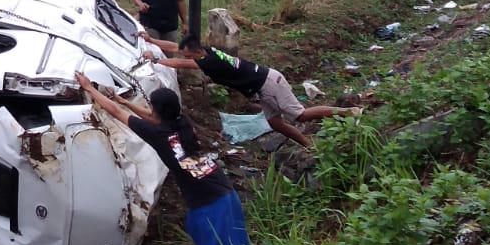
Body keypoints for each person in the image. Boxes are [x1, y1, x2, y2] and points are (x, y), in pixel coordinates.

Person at [75, 72, 254, 245]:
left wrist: (90, 89)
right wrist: (123, 100)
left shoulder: (158, 135)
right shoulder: (182, 123)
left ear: (159, 112)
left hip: (208, 204)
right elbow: (149, 116)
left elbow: (118, 114)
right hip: (224, 191)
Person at [146, 34, 361, 148]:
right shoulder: (206, 50)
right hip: (262, 86)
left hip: (269, 83)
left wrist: (156, 59)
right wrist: (151, 40)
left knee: (300, 115)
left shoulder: (209, 62)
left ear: (196, 52)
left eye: (188, 54)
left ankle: (349, 112)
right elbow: (175, 47)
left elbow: (181, 63)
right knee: (275, 123)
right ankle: (309, 145)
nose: (186, 57)